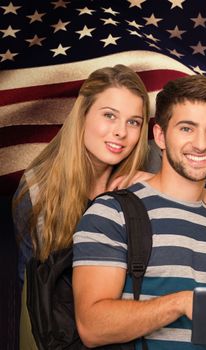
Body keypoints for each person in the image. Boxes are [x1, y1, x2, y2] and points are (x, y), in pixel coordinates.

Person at [72, 75, 206, 349]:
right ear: (160, 136)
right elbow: (92, 326)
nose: (201, 144)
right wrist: (180, 302)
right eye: (187, 129)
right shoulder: (112, 212)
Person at [12, 64, 152, 350]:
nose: (120, 133)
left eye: (133, 122)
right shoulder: (39, 190)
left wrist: (156, 182)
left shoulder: (146, 175)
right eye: (109, 116)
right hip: (64, 329)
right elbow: (39, 294)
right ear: (83, 114)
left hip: (138, 325)